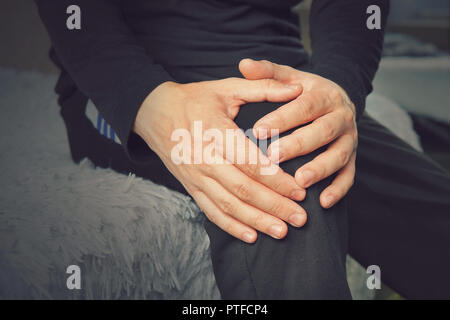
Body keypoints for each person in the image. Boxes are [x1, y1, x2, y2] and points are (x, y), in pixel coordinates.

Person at [36, 0, 450, 299]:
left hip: (283, 77)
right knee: (281, 179)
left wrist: (339, 84)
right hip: (143, 78)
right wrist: (145, 100)